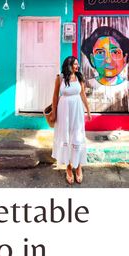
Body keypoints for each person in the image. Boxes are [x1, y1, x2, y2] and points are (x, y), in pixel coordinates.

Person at [50, 55, 91, 185]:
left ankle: (78, 166)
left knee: (77, 137)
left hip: (77, 110)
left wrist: (88, 110)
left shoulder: (79, 77)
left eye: (77, 64)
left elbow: (83, 94)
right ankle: (68, 167)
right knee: (66, 136)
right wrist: (53, 113)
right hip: (64, 111)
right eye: (75, 64)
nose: (77, 66)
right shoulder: (60, 78)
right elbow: (55, 96)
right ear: (69, 65)